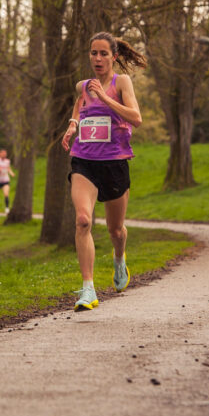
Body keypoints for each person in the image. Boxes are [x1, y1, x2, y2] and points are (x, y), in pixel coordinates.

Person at [61, 32, 147, 311]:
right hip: (84, 160)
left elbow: (136, 118)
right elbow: (80, 103)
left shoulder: (121, 82)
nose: (97, 59)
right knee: (83, 221)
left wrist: (104, 98)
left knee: (116, 230)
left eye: (103, 54)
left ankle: (119, 259)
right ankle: (88, 290)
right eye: (93, 53)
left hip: (115, 162)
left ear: (114, 57)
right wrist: (73, 124)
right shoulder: (83, 86)